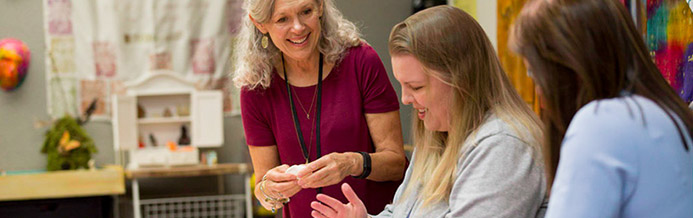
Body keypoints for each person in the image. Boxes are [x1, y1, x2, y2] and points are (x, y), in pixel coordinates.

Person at [310, 5, 546, 218]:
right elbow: (400, 211)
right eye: (403, 85)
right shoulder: (439, 134)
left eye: (416, 87)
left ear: (460, 79)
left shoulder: (504, 145)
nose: (405, 99)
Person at [510, 0, 693, 217]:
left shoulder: (601, 124)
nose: (539, 91)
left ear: (569, 66)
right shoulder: (664, 113)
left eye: (535, 74)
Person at [232, 0, 407, 217]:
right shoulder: (256, 87)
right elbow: (263, 189)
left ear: (320, 7)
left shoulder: (361, 61)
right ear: (260, 24)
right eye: (282, 19)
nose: (298, 28)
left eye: (306, 11)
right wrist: (271, 189)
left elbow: (396, 164)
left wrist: (351, 163)